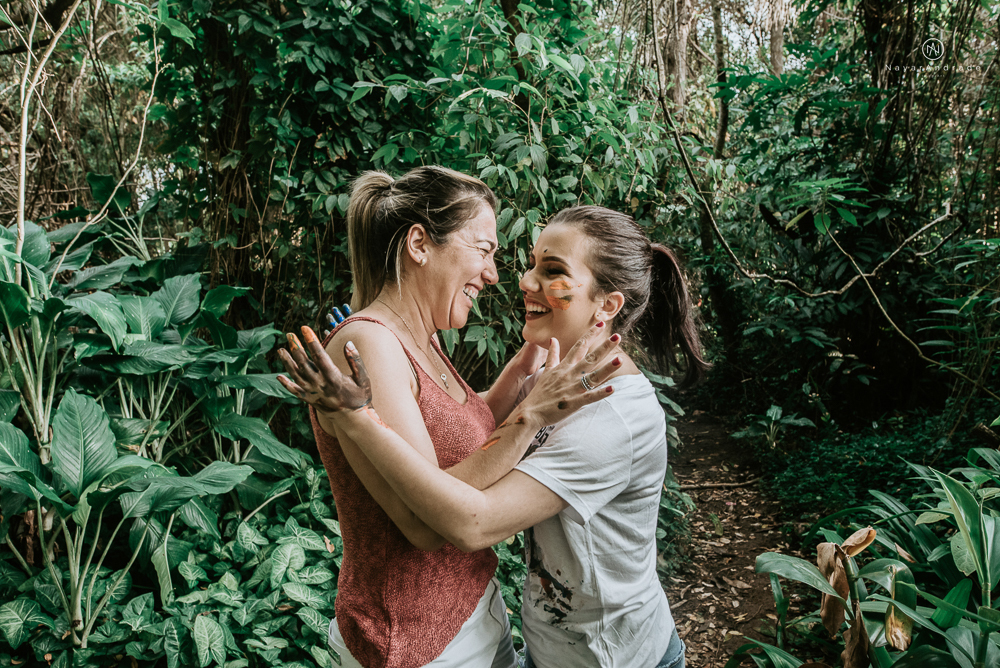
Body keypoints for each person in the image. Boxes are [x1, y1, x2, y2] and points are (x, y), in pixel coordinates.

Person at [282, 204, 709, 668]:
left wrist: (358, 418)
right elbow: (481, 428)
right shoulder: (554, 380)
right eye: (531, 265)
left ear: (606, 305)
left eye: (552, 271)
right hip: (550, 651)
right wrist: (525, 367)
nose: (524, 281)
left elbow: (473, 523)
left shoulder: (611, 416)